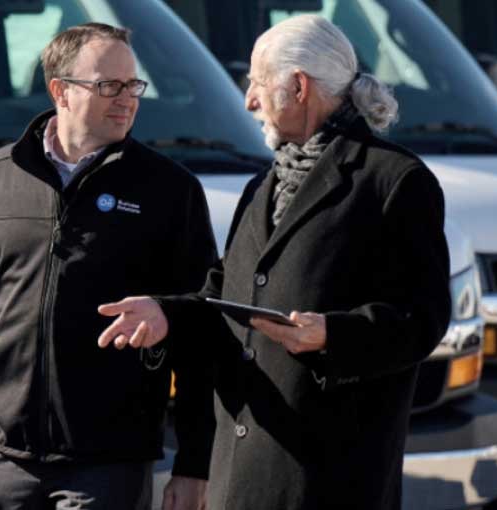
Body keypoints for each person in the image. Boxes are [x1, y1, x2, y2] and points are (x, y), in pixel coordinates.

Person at [97, 15, 451, 510]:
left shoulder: (394, 182)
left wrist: (332, 335)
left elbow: (423, 318)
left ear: (299, 87)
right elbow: (224, 297)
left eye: (258, 83)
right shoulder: (261, 186)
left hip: (329, 482)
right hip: (240, 477)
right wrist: (165, 313)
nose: (249, 101)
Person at [0, 22, 216, 510]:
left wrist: (195, 462)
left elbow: (203, 325)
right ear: (61, 92)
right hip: (1, 458)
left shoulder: (170, 190)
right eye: (107, 86)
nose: (126, 99)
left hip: (109, 462)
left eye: (133, 85)